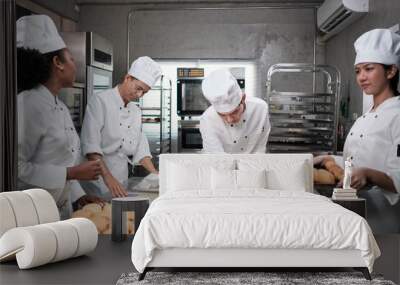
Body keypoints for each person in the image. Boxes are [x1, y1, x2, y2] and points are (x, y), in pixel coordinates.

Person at [17, 15, 104, 219]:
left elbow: (60, 160)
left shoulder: (59, 106)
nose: (75, 65)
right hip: (31, 216)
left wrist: (79, 196)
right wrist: (71, 173)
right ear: (58, 63)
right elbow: (14, 169)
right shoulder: (27, 104)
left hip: (59, 211)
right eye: (72, 58)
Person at [316, 29, 400, 233]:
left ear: (391, 71)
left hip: (385, 217)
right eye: (358, 71)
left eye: (369, 69)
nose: (361, 77)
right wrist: (329, 159)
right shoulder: (365, 117)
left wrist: (368, 175)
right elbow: (356, 161)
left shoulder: (397, 114)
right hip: (357, 211)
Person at [80, 56, 161, 199]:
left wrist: (156, 175)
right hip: (98, 180)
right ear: (128, 78)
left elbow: (140, 148)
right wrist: (108, 178)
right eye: (138, 89)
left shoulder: (135, 111)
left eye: (145, 92)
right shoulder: (100, 101)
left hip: (122, 180)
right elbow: (91, 147)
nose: (139, 95)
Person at [199, 69, 271, 153]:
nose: (230, 120)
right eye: (222, 115)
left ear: (243, 99)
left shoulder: (260, 109)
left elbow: (260, 148)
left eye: (234, 112)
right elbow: (216, 157)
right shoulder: (207, 119)